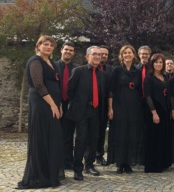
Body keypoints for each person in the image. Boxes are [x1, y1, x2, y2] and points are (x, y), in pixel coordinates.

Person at [17, 35, 64, 189]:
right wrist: (52, 105)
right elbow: (38, 84)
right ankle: (40, 175)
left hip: (53, 104)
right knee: (42, 137)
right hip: (42, 103)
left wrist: (59, 104)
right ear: (38, 46)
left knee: (53, 138)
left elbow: (57, 84)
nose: (49, 47)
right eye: (45, 44)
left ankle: (50, 172)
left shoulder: (52, 62)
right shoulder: (35, 61)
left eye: (51, 45)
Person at [66, 46, 107, 181]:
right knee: (81, 140)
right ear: (87, 56)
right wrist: (78, 105)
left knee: (93, 139)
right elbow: (70, 90)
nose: (97, 57)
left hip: (96, 111)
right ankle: (78, 169)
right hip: (82, 111)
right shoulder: (78, 71)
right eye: (94, 54)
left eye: (99, 55)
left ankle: (89, 165)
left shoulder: (102, 74)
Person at [107, 45, 141, 174]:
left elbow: (139, 90)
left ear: (134, 55)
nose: (127, 55)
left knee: (132, 135)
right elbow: (111, 90)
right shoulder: (117, 71)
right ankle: (119, 163)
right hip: (119, 106)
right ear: (122, 56)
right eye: (125, 53)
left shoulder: (137, 72)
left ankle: (128, 163)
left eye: (130, 52)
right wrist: (110, 108)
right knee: (121, 135)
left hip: (134, 107)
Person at [144, 53, 171, 173]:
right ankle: (153, 165)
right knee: (154, 138)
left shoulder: (165, 77)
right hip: (154, 110)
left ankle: (162, 162)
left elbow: (169, 94)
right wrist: (154, 113)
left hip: (164, 109)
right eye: (156, 62)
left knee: (163, 137)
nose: (158, 64)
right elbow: (148, 96)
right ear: (152, 64)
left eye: (161, 62)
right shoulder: (149, 78)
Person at [54, 41, 76, 170]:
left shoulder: (77, 69)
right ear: (61, 50)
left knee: (68, 134)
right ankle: (55, 159)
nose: (68, 52)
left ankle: (68, 160)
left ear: (73, 53)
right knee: (55, 134)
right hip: (56, 104)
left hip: (70, 105)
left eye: (71, 50)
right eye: (66, 49)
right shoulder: (53, 66)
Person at [96, 45, 113, 166]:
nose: (103, 56)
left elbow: (112, 89)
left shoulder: (111, 70)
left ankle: (99, 155)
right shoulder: (87, 69)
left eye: (106, 54)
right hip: (91, 105)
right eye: (102, 54)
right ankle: (88, 156)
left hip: (104, 105)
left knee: (102, 131)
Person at [135, 45, 151, 165]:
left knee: (149, 130)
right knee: (138, 130)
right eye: (142, 54)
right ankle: (137, 157)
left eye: (146, 54)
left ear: (149, 55)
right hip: (138, 103)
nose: (144, 56)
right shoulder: (135, 70)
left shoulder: (153, 70)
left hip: (151, 103)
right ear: (138, 55)